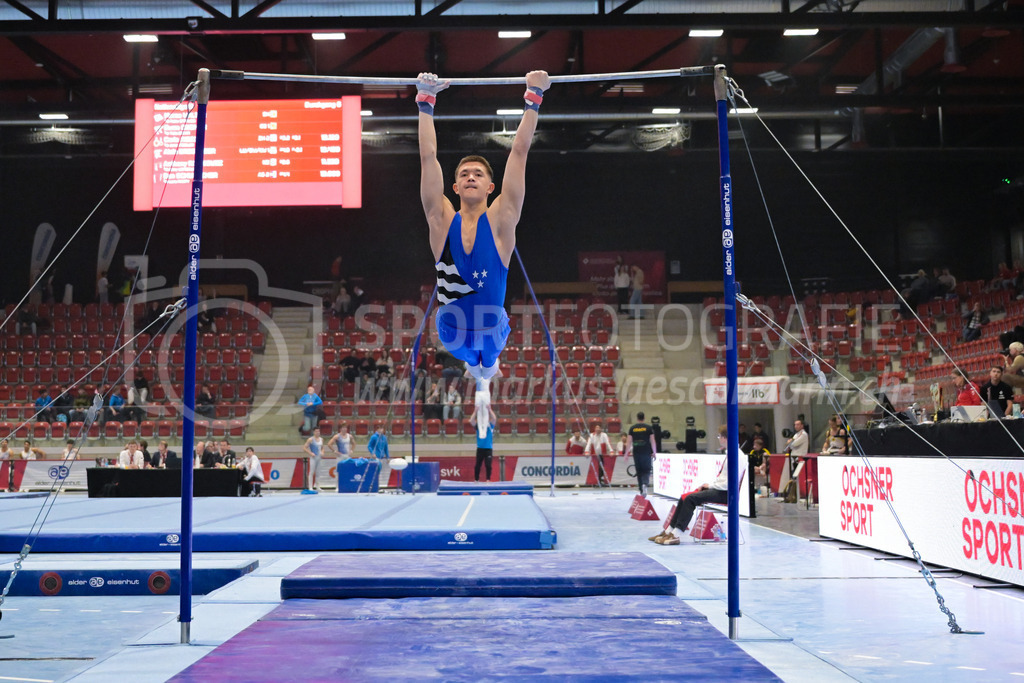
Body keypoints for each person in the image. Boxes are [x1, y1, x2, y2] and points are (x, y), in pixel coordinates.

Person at [418, 69, 551, 409]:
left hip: (492, 329)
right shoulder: (441, 219)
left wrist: (534, 97)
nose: (471, 177)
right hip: (453, 330)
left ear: (491, 187)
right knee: (479, 363)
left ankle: (485, 371)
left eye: (478, 174)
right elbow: (428, 158)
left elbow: (519, 153)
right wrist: (426, 103)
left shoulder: (502, 219)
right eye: (464, 174)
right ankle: (483, 370)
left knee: (486, 362)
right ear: (455, 186)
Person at [650, 459, 729, 545]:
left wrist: (710, 486)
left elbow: (728, 483)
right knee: (684, 497)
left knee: (690, 499)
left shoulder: (737, 456)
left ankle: (676, 534)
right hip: (719, 489)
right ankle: (669, 530)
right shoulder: (729, 455)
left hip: (725, 493)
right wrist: (708, 486)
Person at [626, 411, 657, 497]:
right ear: (644, 418)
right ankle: (645, 484)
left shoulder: (632, 428)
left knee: (639, 471)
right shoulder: (648, 428)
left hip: (636, 453)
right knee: (646, 470)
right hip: (646, 452)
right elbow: (652, 441)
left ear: (637, 418)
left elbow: (629, 442)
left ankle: (641, 490)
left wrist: (626, 453)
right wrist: (654, 452)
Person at [469, 400, 497, 482]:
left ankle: (488, 479)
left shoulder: (490, 426)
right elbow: (471, 421)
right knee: (478, 465)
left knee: (488, 465)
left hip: (488, 449)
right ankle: (476, 479)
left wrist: (489, 409)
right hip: (480, 448)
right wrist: (475, 411)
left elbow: (494, 418)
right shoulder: (478, 426)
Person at [783, 419, 809, 491]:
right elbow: (789, 444)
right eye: (795, 425)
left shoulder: (803, 434)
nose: (796, 426)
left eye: (798, 424)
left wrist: (790, 442)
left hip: (799, 459)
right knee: (792, 475)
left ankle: (797, 492)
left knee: (796, 476)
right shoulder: (796, 434)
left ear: (802, 425)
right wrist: (790, 442)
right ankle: (792, 493)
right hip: (793, 458)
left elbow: (794, 443)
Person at [747, 436, 770, 515]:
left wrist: (760, 467)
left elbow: (765, 462)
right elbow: (750, 462)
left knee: (763, 468)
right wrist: (755, 468)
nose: (754, 447)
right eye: (754, 445)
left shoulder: (765, 451)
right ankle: (753, 486)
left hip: (763, 467)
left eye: (756, 445)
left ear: (760, 446)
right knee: (751, 469)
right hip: (755, 467)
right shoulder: (752, 452)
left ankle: (763, 487)